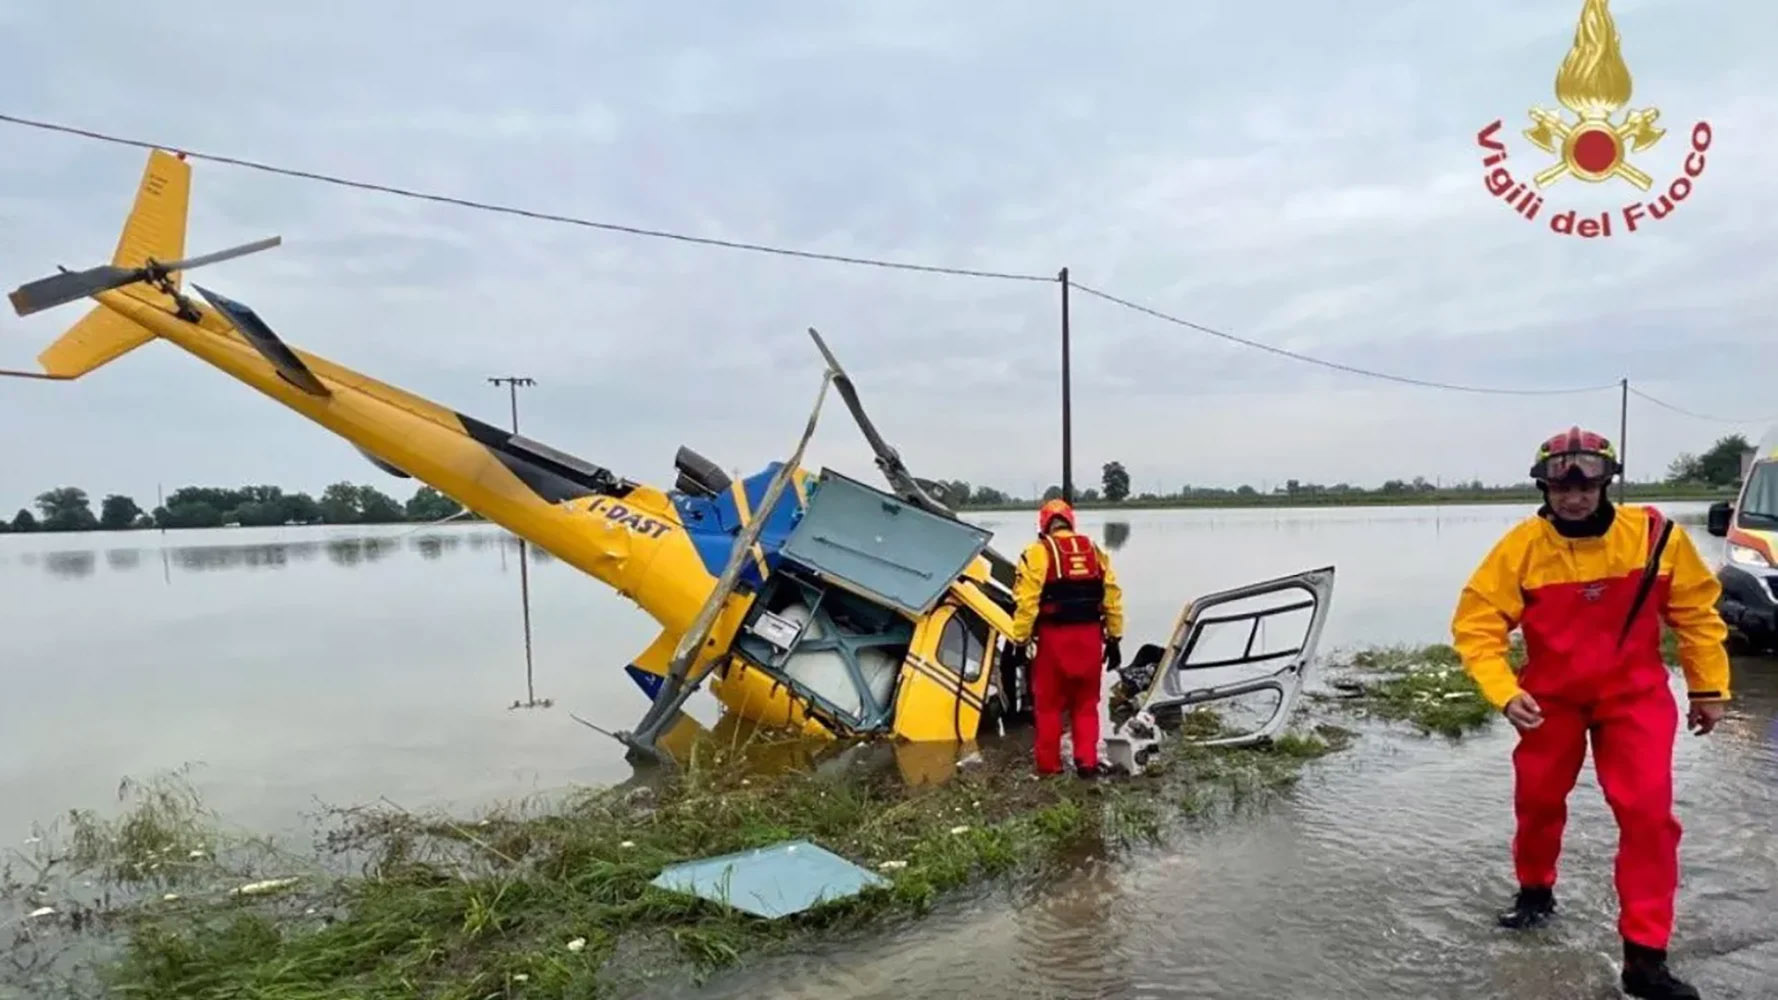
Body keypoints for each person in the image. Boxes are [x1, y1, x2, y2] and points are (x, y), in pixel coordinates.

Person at [1451, 426, 1731, 1000]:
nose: (1574, 498)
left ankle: (1645, 960)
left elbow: (1697, 614)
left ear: (1606, 485)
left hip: (1634, 699)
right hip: (1548, 701)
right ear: (1545, 489)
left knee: (1649, 818)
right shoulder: (1520, 548)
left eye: (1586, 487)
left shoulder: (1655, 537)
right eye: (1561, 489)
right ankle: (1535, 891)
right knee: (1537, 802)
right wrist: (1504, 691)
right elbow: (1477, 627)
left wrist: (1708, 689)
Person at [1008, 497, 1125, 777]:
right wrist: (1115, 638)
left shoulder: (1037, 552)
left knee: (1048, 707)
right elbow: (1112, 596)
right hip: (1090, 638)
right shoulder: (1094, 551)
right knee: (1086, 704)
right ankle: (1087, 762)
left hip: (1053, 640)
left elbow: (1026, 602)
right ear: (1071, 522)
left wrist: (1020, 641)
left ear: (1044, 525)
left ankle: (1049, 767)